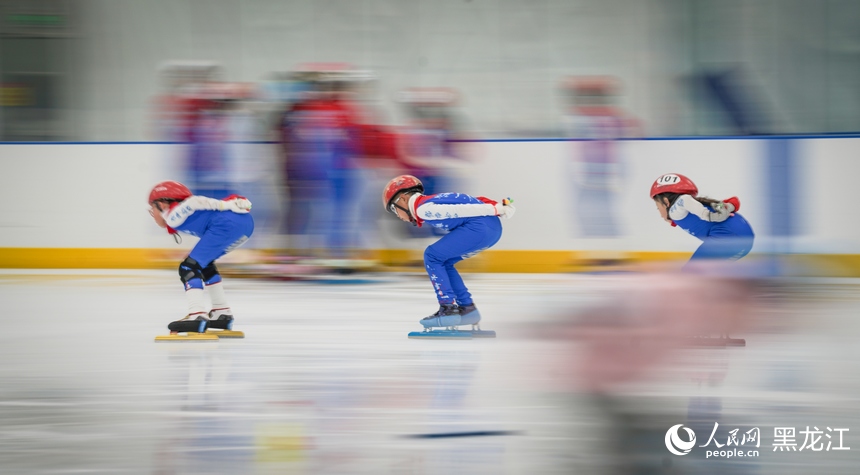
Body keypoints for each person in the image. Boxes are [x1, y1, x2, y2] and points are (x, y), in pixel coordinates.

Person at [382, 175, 515, 329]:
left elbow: (460, 209)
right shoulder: (431, 201)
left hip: (479, 229)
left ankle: (448, 309)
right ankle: (467, 309)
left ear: (403, 199)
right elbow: (472, 200)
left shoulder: (423, 209)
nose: (398, 216)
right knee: (444, 261)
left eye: (394, 209)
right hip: (491, 230)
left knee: (431, 256)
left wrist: (494, 208)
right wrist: (497, 206)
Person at [148, 180, 254, 334]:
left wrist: (227, 204)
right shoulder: (180, 215)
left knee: (188, 267)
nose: (152, 214)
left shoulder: (172, 215)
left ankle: (197, 315)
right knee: (204, 264)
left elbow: (195, 201)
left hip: (227, 224)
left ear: (162, 204)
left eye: (153, 208)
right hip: (243, 225)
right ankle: (222, 313)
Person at [650, 173, 754, 264]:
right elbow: (723, 204)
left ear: (666, 202)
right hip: (744, 236)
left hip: (727, 235)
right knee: (704, 272)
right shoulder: (686, 211)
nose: (659, 213)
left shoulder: (676, 209)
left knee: (691, 273)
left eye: (657, 207)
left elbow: (684, 200)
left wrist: (707, 215)